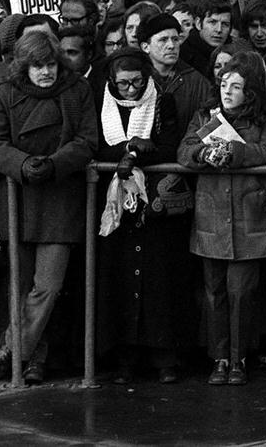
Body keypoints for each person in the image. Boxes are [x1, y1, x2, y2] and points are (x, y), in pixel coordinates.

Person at [0, 31, 98, 384]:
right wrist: (22, 164)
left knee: (47, 285)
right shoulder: (6, 93)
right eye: (37, 66)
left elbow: (87, 140)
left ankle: (12, 349)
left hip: (60, 198)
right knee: (19, 287)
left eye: (49, 64)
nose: (45, 72)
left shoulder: (76, 90)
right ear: (24, 66)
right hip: (19, 197)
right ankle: (33, 359)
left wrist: (54, 163)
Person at [177, 53, 266, 386]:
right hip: (212, 217)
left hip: (247, 218)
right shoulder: (205, 115)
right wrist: (203, 153)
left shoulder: (261, 121)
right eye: (224, 84)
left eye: (236, 86)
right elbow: (184, 150)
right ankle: (219, 358)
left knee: (241, 293)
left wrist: (236, 153)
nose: (228, 91)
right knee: (214, 293)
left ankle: (239, 358)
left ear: (248, 91)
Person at [93, 47, 185, 384]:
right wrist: (128, 148)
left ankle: (163, 358)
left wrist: (141, 150)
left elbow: (169, 144)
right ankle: (125, 359)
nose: (130, 90)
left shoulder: (162, 101)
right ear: (112, 82)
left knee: (156, 281)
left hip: (152, 203)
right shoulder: (100, 102)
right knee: (119, 281)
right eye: (123, 84)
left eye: (137, 83)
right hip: (114, 204)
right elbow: (96, 145)